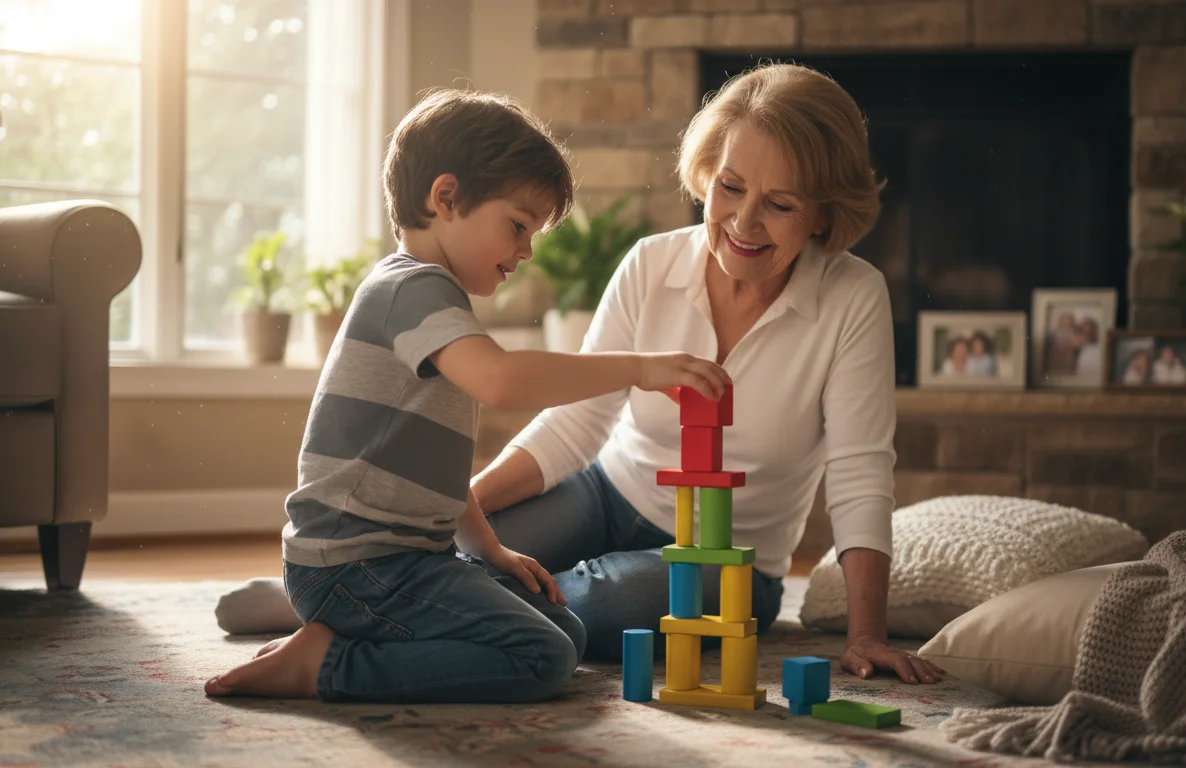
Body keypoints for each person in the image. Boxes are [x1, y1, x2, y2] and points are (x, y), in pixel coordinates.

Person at [216, 63, 944, 686]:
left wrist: (866, 632)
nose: (744, 221)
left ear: (822, 214)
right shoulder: (653, 264)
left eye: (780, 204)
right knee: (476, 540)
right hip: (605, 489)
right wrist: (464, 508)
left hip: (726, 559)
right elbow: (576, 424)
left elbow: (858, 469)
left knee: (583, 611)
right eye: (730, 188)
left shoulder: (852, 298)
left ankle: (369, 610)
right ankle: (358, 591)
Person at [202, 89, 729, 704]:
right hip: (357, 566)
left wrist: (491, 551)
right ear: (445, 198)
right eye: (518, 226)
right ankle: (326, 664)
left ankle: (327, 628)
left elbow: (440, 475)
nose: (527, 252)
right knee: (546, 657)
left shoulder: (436, 305)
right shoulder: (413, 291)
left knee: (564, 625)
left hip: (397, 562)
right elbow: (504, 380)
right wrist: (636, 366)